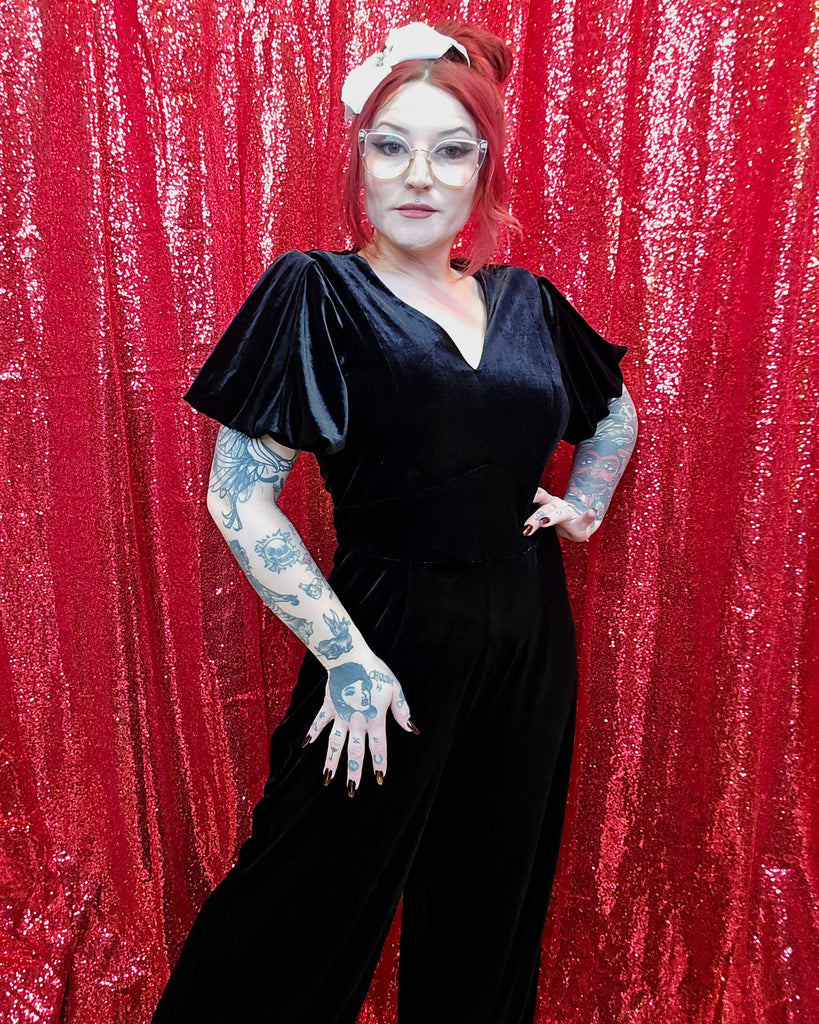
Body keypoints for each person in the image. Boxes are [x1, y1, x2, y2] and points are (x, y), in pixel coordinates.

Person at [151, 19, 637, 1024]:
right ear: (359, 160)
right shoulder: (317, 291)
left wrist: (583, 504)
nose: (419, 174)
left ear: (483, 171)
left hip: (529, 636)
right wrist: (348, 659)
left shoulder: (530, 303)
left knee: (490, 908)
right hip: (385, 634)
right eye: (391, 145)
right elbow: (237, 494)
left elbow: (613, 413)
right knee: (298, 907)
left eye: (452, 150)